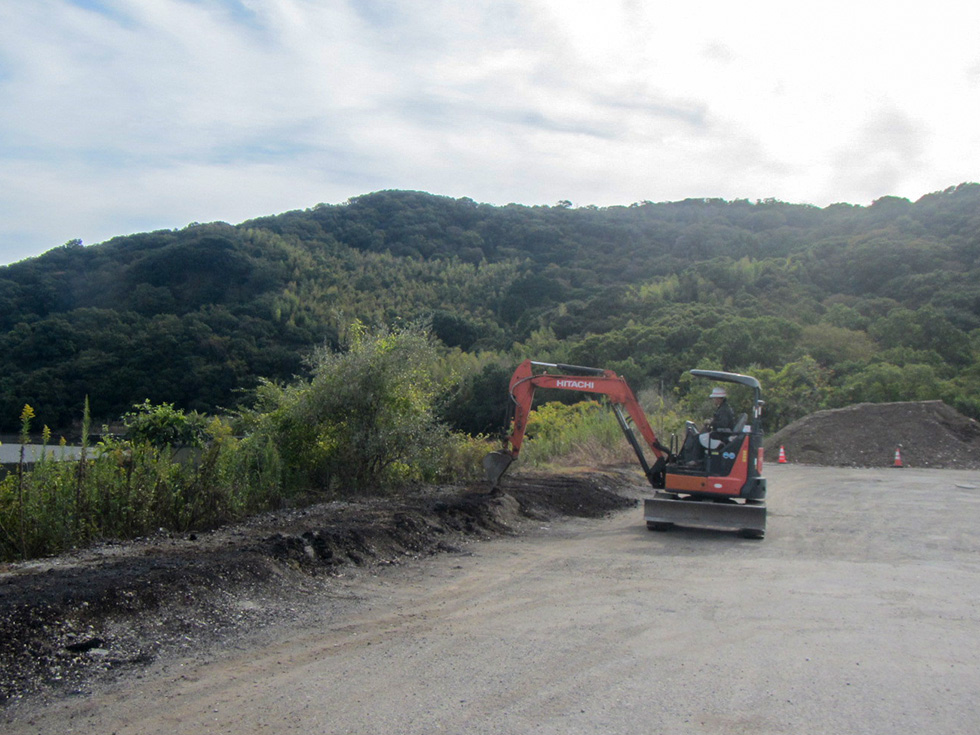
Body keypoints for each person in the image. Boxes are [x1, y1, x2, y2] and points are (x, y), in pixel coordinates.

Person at [680, 385, 736, 465]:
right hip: (721, 434)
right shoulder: (723, 408)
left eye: (714, 398)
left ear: (719, 398)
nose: (714, 400)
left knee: (697, 437)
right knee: (700, 436)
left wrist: (711, 422)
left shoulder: (724, 410)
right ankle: (700, 459)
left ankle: (695, 460)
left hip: (721, 435)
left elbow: (722, 424)